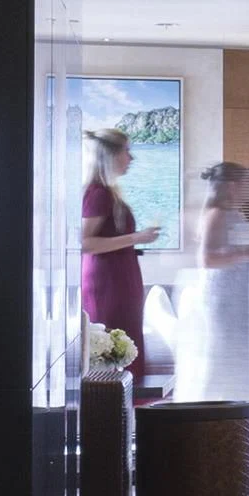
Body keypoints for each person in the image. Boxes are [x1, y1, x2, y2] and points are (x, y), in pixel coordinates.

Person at [173, 161, 249, 403]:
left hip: (237, 295)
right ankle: (216, 408)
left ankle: (238, 410)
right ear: (233, 186)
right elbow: (206, 258)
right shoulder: (216, 215)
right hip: (222, 297)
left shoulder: (236, 213)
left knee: (238, 355)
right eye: (248, 181)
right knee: (223, 354)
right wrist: (248, 254)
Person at [79, 127, 161, 386]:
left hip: (118, 277)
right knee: (116, 344)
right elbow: (86, 242)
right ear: (111, 155)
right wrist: (137, 238)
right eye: (127, 151)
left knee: (124, 340)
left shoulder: (107, 192)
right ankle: (116, 410)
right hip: (108, 283)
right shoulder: (98, 194)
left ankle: (122, 411)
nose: (131, 158)